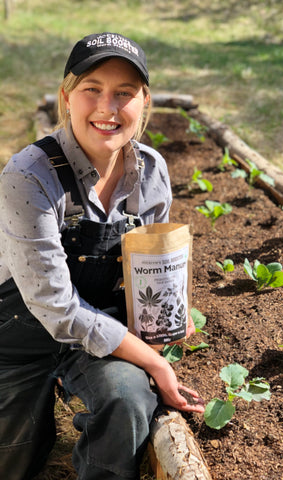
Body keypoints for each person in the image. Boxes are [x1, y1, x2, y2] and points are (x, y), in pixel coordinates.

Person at [0, 32, 204, 480]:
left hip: (96, 323)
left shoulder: (151, 171)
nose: (108, 108)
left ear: (144, 101)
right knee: (12, 461)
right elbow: (56, 307)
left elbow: (150, 267)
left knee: (128, 399)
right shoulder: (27, 175)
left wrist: (170, 312)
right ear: (66, 97)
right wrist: (154, 361)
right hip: (17, 333)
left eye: (124, 94)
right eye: (92, 89)